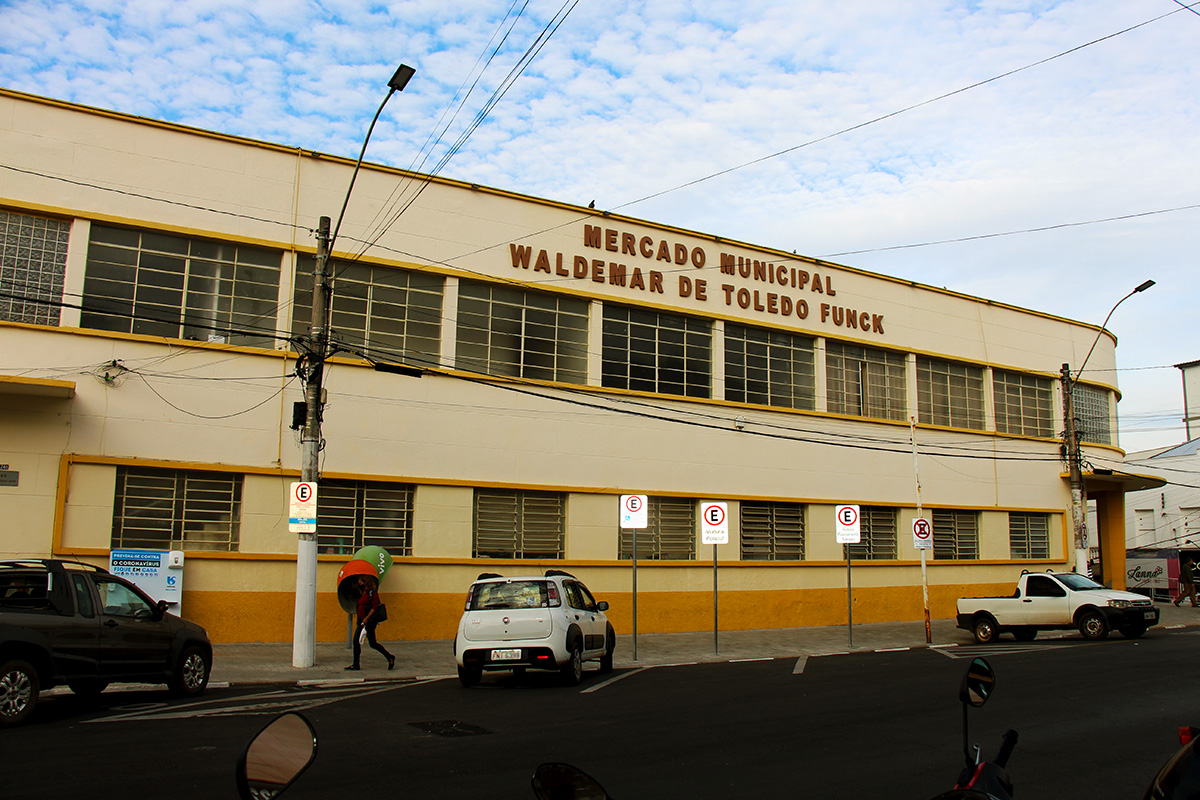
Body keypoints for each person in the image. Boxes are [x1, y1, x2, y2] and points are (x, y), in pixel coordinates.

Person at [346, 575, 395, 670]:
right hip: (361, 621)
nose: (359, 584)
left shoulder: (373, 593)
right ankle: (356, 664)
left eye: (361, 583)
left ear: (366, 583)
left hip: (368, 622)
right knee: (356, 641)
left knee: (373, 643)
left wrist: (367, 618)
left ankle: (389, 656)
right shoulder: (362, 593)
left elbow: (374, 607)